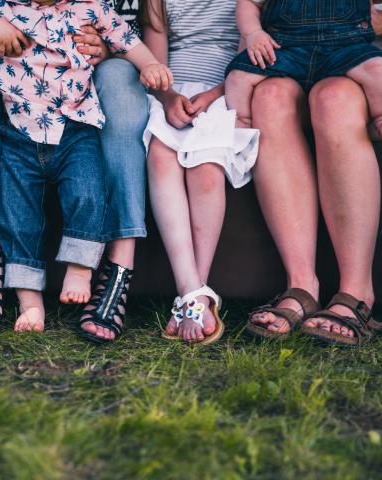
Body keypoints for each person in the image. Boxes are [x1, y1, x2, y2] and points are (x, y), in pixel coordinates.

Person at [0, 0, 172, 333]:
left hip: (75, 126)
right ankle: (30, 303)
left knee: (88, 194)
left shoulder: (91, 7)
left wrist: (149, 64)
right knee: (16, 213)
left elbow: (127, 39)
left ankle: (81, 270)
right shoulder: (0, 7)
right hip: (19, 129)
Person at [240, 0, 382, 346]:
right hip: (289, 56)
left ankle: (356, 290)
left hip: (354, 60)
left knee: (334, 99)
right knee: (270, 99)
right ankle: (301, 283)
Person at [142, 0, 259, 343]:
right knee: (161, 156)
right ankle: (191, 290)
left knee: (206, 168)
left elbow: (247, 59)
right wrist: (167, 97)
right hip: (172, 94)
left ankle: (196, 290)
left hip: (224, 92)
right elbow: (155, 63)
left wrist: (211, 96)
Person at [226, 0, 382, 141]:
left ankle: (379, 118)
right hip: (284, 48)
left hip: (345, 47)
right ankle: (242, 121)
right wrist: (253, 32)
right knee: (238, 76)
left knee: (376, 67)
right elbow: (248, 3)